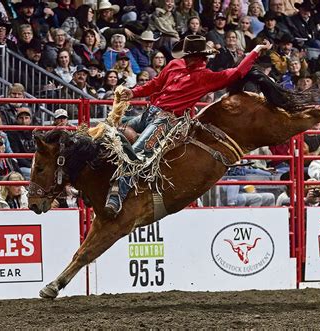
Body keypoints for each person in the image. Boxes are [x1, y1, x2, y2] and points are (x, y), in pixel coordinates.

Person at [103, 35, 273, 217]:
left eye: (190, 55)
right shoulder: (175, 66)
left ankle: (117, 195)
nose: (187, 58)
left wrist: (255, 52)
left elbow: (238, 72)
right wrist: (134, 92)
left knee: (138, 152)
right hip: (150, 112)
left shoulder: (206, 77)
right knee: (108, 131)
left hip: (167, 120)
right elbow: (156, 84)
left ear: (197, 57)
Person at [7, 107, 36, 179]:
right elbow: (16, 155)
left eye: (26, 118)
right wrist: (31, 166)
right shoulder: (12, 132)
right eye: (21, 118)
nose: (24, 121)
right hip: (22, 166)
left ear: (30, 120)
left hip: (36, 164)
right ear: (16, 119)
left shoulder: (36, 131)